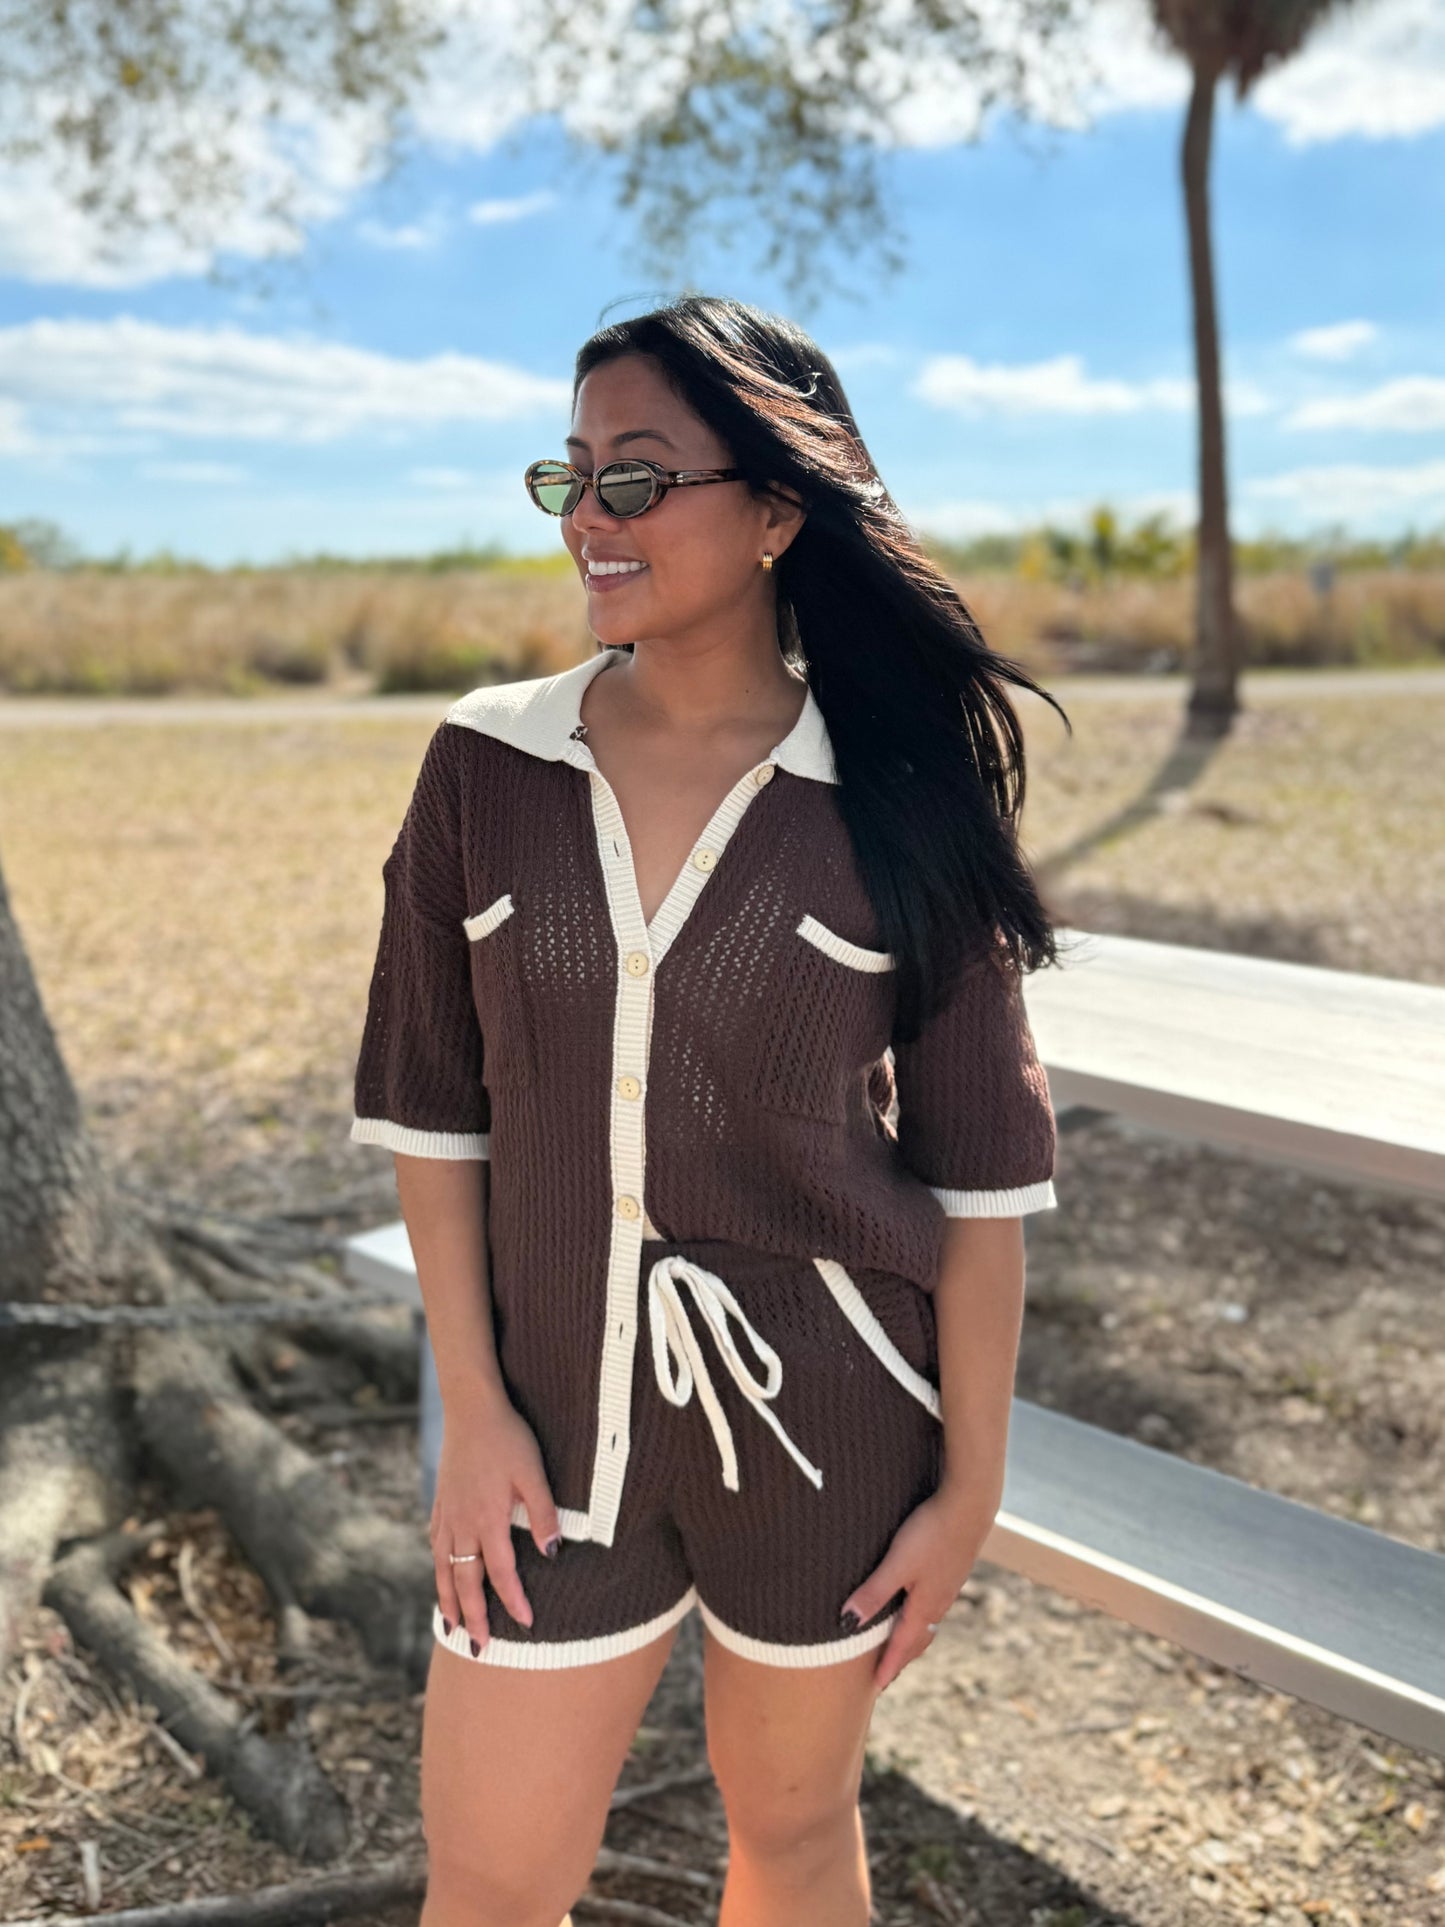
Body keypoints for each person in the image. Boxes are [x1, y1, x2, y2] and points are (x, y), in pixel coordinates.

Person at [349, 292, 1073, 1927]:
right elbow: (431, 1110)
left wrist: (970, 1490)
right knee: (487, 1880)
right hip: (540, 1436)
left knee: (795, 1835)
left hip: (833, 1422)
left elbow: (978, 1188)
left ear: (771, 514)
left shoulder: (898, 805)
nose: (589, 522)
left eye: (638, 479)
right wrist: (469, 1409)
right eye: (574, 475)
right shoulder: (483, 767)